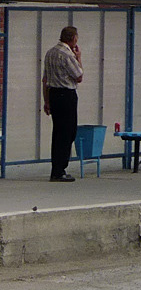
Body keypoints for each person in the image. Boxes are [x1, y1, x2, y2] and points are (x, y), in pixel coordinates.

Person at [42, 26, 84, 182]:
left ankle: (56, 168)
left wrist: (46, 100)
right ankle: (60, 169)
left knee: (58, 132)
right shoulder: (67, 55)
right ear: (72, 38)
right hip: (67, 95)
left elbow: (45, 79)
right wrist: (78, 57)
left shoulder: (50, 53)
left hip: (53, 94)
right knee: (68, 132)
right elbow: (79, 76)